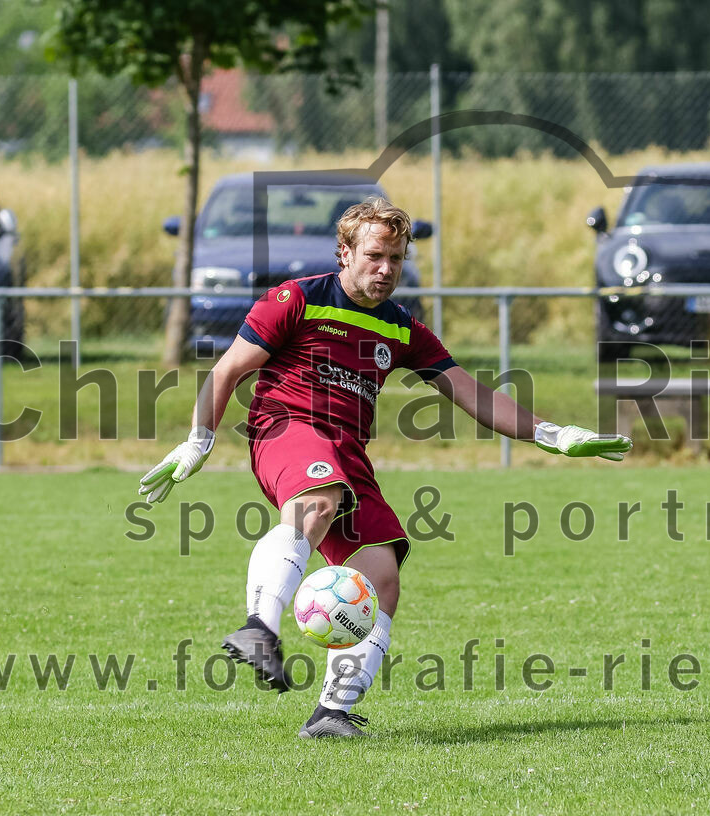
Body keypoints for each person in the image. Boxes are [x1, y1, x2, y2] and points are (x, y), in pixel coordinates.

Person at [138, 198, 632, 739]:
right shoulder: (297, 299)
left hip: (348, 453)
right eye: (375, 256)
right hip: (286, 428)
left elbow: (471, 394)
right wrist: (198, 440)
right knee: (317, 500)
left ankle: (331, 713)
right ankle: (260, 627)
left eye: (396, 259)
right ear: (345, 252)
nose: (386, 269)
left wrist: (554, 434)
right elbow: (228, 368)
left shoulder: (402, 330)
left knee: (381, 578)